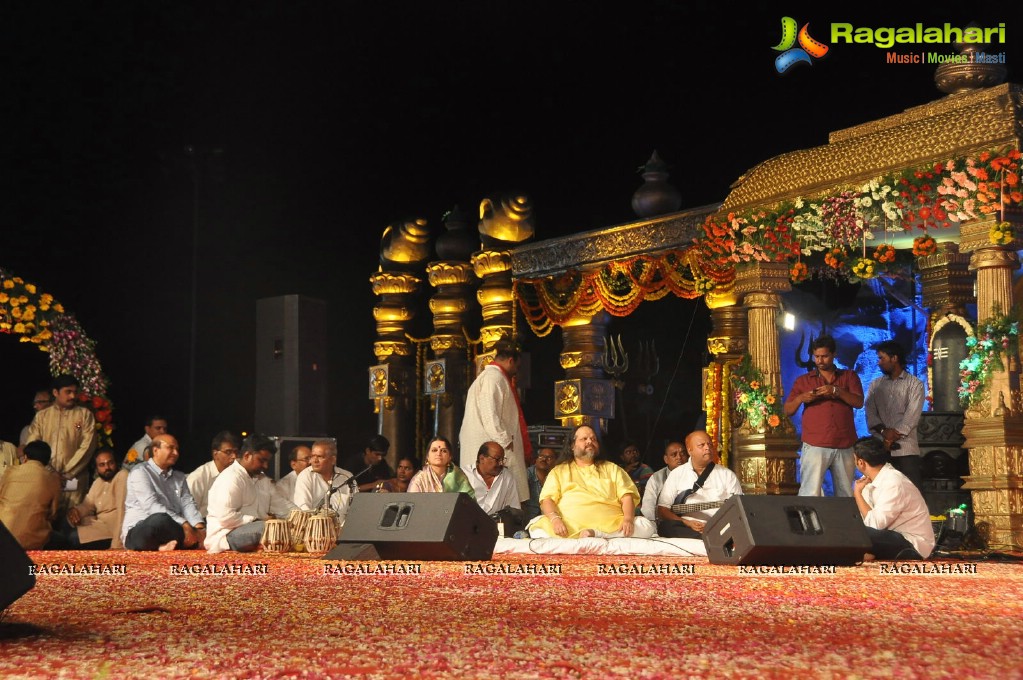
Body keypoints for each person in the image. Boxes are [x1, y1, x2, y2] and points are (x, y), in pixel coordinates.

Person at [527, 425, 655, 539]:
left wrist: (627, 519)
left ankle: (597, 534)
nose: (590, 441)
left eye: (593, 439)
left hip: (610, 524)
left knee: (646, 526)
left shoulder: (612, 468)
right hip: (568, 525)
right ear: (572, 446)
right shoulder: (559, 471)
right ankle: (599, 536)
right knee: (537, 527)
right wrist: (555, 520)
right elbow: (547, 500)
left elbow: (627, 496)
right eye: (584, 439)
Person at [784, 334, 864, 496]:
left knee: (846, 493)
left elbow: (858, 402)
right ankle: (809, 522)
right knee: (810, 492)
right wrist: (801, 398)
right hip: (815, 443)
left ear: (834, 355)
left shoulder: (849, 376)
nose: (820, 361)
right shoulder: (803, 380)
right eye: (817, 356)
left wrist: (836, 391)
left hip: (844, 443)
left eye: (825, 356)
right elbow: (787, 410)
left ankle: (845, 521)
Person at [458, 337, 531, 502]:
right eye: (517, 367)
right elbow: (490, 415)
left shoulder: (491, 377)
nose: (516, 372)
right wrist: (505, 441)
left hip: (491, 450)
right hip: (493, 450)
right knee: (496, 504)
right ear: (511, 361)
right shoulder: (493, 378)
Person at [205, 434, 297, 554]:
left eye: (267, 461)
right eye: (262, 460)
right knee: (270, 528)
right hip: (226, 536)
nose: (265, 466)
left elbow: (283, 506)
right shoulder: (231, 478)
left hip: (254, 529)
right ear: (247, 455)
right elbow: (225, 517)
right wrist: (257, 520)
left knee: (282, 525)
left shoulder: (263, 480)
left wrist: (304, 517)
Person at [852, 436, 934, 560]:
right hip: (889, 537)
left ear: (861, 463)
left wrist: (857, 493)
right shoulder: (868, 482)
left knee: (858, 533)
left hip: (912, 544)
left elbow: (875, 525)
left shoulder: (894, 481)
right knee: (849, 529)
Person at [24, 374, 97, 510]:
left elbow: (88, 446)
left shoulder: (84, 415)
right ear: (55, 392)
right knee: (46, 519)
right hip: (46, 479)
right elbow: (33, 447)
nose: (72, 396)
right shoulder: (42, 417)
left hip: (74, 481)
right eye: (68, 392)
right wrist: (50, 472)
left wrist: (66, 474)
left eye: (75, 392)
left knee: (71, 523)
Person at [121, 434, 206, 551]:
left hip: (172, 528)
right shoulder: (140, 472)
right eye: (170, 448)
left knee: (208, 522)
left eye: (177, 449)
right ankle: (180, 543)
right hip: (141, 529)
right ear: (156, 450)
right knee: (159, 520)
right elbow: (151, 506)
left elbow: (188, 504)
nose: (176, 453)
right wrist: (184, 524)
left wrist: (199, 528)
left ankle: (171, 545)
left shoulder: (179, 477)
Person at [657, 430, 743, 538]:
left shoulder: (727, 475)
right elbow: (663, 510)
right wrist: (686, 522)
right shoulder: (676, 474)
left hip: (718, 526)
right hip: (686, 526)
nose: (707, 448)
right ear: (690, 450)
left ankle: (710, 535)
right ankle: (706, 538)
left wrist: (714, 525)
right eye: (701, 445)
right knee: (666, 527)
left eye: (709, 444)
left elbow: (738, 508)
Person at [864, 340, 925, 490]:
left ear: (894, 358)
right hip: (880, 449)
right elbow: (870, 411)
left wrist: (893, 435)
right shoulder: (875, 385)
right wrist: (884, 432)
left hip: (906, 449)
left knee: (910, 493)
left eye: (882, 358)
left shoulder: (915, 384)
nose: (879, 363)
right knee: (882, 493)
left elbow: (912, 415)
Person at [0, 441, 62, 550]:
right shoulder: (53, 479)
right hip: (33, 542)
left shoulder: (10, 472)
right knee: (63, 540)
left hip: (4, 535)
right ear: (47, 461)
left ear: (25, 457)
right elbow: (53, 513)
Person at [65, 446, 128, 549]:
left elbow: (123, 511)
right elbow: (88, 505)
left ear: (116, 463)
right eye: (102, 465)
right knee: (65, 523)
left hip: (113, 530)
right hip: (99, 525)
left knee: (72, 538)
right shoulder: (98, 482)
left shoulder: (122, 476)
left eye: (110, 463)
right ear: (96, 468)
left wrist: (117, 545)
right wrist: (75, 511)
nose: (107, 467)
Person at [465, 442, 523, 533]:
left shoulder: (507, 477)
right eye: (497, 459)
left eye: (502, 460)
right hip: (467, 528)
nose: (501, 464)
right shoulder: (464, 475)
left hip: (495, 531)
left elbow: (514, 510)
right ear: (482, 458)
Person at [294, 439, 357, 518]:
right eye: (313, 456)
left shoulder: (347, 477)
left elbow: (356, 508)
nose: (314, 460)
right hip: (315, 528)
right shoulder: (305, 476)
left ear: (333, 460)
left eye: (320, 456)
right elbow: (303, 509)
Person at [187, 431, 241, 517]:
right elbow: (188, 512)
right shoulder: (198, 477)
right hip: (204, 524)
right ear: (215, 454)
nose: (234, 456)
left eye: (236, 452)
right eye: (228, 452)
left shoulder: (238, 474)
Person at [408, 436, 474, 496]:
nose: (439, 453)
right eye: (434, 450)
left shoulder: (458, 476)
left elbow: (469, 502)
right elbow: (413, 505)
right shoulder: (419, 480)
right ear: (427, 456)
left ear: (450, 457)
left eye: (444, 451)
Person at [640, 441, 688, 520]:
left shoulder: (695, 474)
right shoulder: (656, 478)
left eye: (683, 454)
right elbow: (648, 507)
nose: (679, 457)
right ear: (666, 459)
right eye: (674, 455)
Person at [522, 447, 557, 523]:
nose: (544, 459)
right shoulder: (526, 475)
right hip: (527, 520)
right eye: (541, 456)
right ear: (536, 459)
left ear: (555, 462)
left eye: (549, 458)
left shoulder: (557, 476)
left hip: (550, 520)